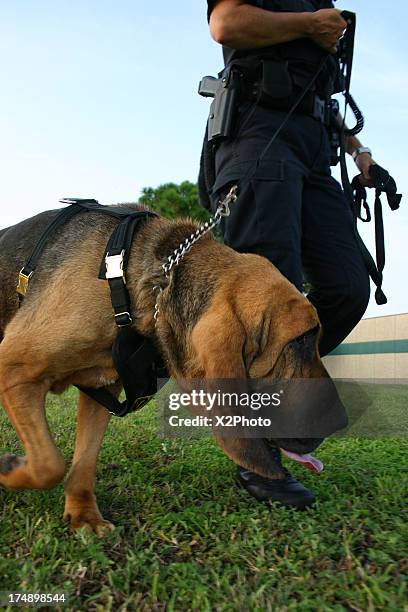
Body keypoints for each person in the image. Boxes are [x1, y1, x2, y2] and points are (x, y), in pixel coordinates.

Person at [202, 0, 378, 508]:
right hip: (259, 132)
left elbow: (319, 89)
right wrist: (308, 25)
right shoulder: (308, 15)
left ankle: (279, 400)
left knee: (346, 284)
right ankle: (255, 457)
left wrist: (358, 150)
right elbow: (226, 25)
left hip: (314, 148)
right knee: (262, 297)